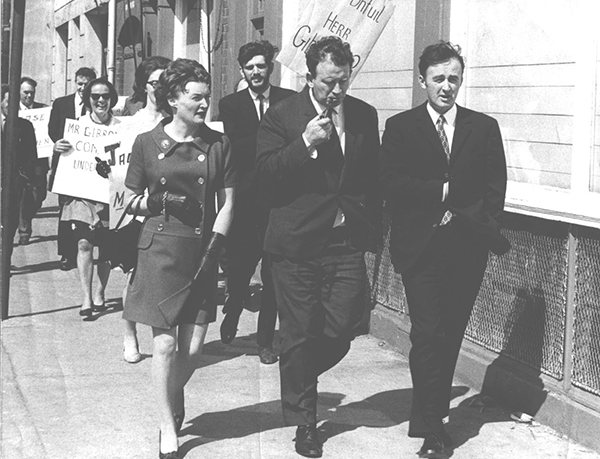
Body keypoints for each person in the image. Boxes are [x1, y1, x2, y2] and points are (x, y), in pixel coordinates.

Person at [380, 41, 509, 458]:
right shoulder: (401, 127)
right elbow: (391, 185)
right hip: (420, 247)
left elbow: (495, 189)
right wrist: (444, 192)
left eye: (454, 78)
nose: (447, 86)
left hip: (466, 250)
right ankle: (435, 428)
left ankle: (426, 414)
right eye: (438, 78)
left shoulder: (483, 127)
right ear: (423, 81)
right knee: (427, 332)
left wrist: (481, 226)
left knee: (450, 334)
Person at [256, 36, 381, 458]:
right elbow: (265, 174)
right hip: (296, 245)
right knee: (299, 332)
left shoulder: (364, 115)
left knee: (344, 328)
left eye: (343, 81)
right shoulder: (282, 116)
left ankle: (297, 376)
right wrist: (305, 143)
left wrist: (375, 233)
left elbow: (370, 179)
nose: (336, 91)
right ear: (310, 77)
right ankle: (304, 422)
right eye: (328, 82)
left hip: (345, 242)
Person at [123, 58, 235, 458]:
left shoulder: (219, 143)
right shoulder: (146, 143)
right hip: (161, 251)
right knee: (166, 346)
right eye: (195, 97)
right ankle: (167, 426)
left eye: (207, 97)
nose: (204, 104)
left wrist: (216, 247)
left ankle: (168, 398)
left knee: (192, 352)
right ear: (173, 99)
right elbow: (125, 198)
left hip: (203, 252)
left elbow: (229, 202)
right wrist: (156, 199)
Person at [217, 40, 295, 364]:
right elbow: (242, 146)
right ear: (242, 71)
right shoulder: (230, 104)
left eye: (261, 66)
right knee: (239, 266)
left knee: (273, 273)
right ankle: (234, 305)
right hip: (247, 201)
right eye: (249, 67)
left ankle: (265, 342)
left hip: (279, 200)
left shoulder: (289, 101)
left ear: (270, 69)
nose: (256, 72)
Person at [96, 56, 171, 364]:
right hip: (135, 211)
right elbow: (111, 164)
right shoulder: (129, 122)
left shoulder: (176, 120)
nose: (161, 87)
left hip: (169, 211)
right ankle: (130, 335)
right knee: (134, 276)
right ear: (145, 86)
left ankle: (164, 340)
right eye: (155, 82)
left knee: (164, 277)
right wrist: (105, 170)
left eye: (166, 81)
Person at [52, 78, 119, 318]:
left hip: (109, 196)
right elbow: (67, 156)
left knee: (107, 248)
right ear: (88, 99)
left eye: (105, 96)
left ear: (112, 97)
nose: (100, 100)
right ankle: (86, 297)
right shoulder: (77, 126)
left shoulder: (121, 127)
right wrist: (58, 146)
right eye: (95, 96)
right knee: (84, 243)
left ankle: (100, 292)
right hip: (82, 195)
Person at [48, 67, 97, 271]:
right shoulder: (61, 103)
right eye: (79, 83)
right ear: (75, 82)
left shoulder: (97, 103)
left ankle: (87, 250)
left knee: (88, 212)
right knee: (66, 211)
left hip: (89, 168)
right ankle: (67, 254)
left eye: (86, 84)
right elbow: (52, 130)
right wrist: (57, 144)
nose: (82, 87)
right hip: (67, 165)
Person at [1, 84, 39, 261]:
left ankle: (5, 262)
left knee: (9, 225)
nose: (12, 106)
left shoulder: (25, 126)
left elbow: (32, 155)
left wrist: (26, 178)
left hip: (14, 184)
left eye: (15, 102)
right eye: (8, 101)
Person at [16, 76, 49, 245]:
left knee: (39, 196)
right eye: (25, 92)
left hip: (39, 162)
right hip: (21, 163)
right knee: (23, 196)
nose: (29, 96)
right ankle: (24, 230)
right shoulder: (13, 111)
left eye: (32, 92)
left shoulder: (43, 110)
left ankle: (27, 216)